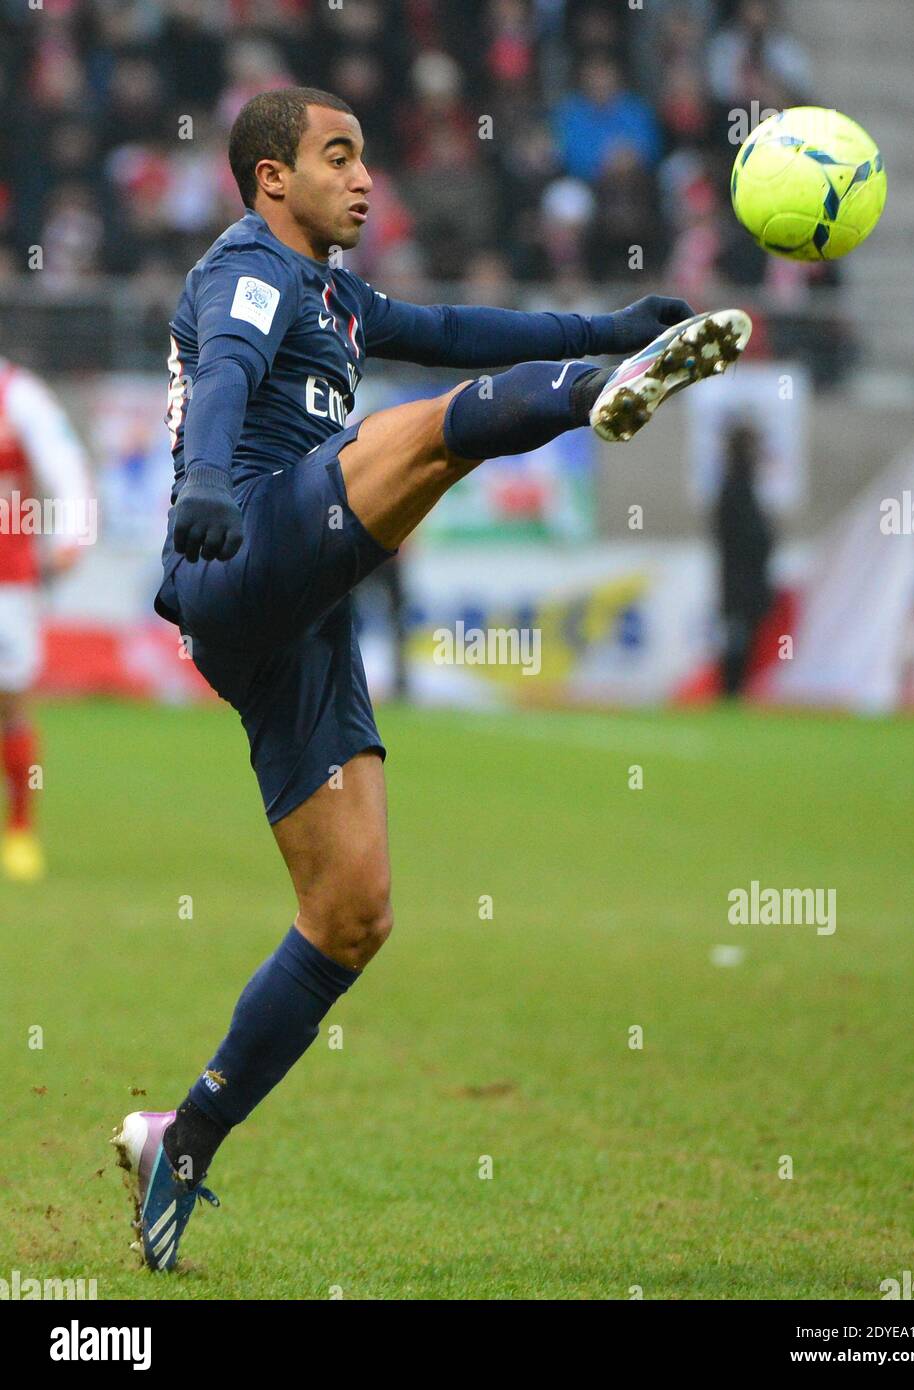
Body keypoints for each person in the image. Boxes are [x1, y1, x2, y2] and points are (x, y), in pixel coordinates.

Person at [111, 86, 751, 1270]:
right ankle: (584, 407)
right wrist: (200, 482)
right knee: (423, 432)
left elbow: (453, 324)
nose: (365, 179)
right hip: (239, 544)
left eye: (366, 156)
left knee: (352, 915)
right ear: (268, 180)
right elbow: (235, 368)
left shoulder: (335, 295)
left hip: (294, 613)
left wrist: (601, 322)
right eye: (337, 157)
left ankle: (181, 1137)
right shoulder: (247, 268)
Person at [0, 359, 92, 881]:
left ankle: (19, 829)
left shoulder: (19, 394)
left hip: (7, 579)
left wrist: (71, 534)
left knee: (11, 704)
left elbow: (65, 463)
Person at [713, 420, 774, 696]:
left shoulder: (740, 485)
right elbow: (747, 538)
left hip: (742, 581)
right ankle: (731, 692)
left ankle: (735, 692)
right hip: (740, 582)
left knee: (741, 638)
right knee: (737, 639)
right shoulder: (735, 487)